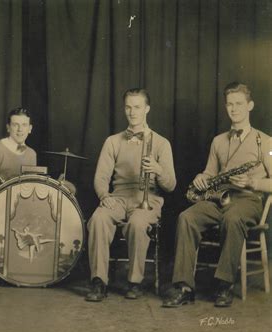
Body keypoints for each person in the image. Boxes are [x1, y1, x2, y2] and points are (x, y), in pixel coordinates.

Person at [162, 82, 271, 308]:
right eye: (230, 104)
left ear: (250, 105)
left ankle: (224, 285)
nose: (234, 109)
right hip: (218, 198)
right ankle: (184, 286)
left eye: (239, 104)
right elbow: (210, 173)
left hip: (248, 200)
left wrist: (253, 182)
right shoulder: (218, 141)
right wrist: (201, 178)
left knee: (232, 218)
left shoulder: (267, 141)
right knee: (186, 217)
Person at [85, 88, 176, 302]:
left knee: (137, 223)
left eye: (137, 107)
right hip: (117, 197)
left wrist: (158, 169)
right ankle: (99, 281)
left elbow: (171, 185)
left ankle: (135, 281)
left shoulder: (162, 143)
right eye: (128, 107)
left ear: (147, 109)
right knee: (98, 218)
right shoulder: (113, 141)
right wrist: (103, 195)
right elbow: (100, 178)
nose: (132, 112)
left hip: (148, 199)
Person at [0, 107, 37, 182]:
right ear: (8, 127)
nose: (20, 129)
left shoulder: (32, 154)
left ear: (30, 128)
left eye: (24, 125)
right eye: (15, 125)